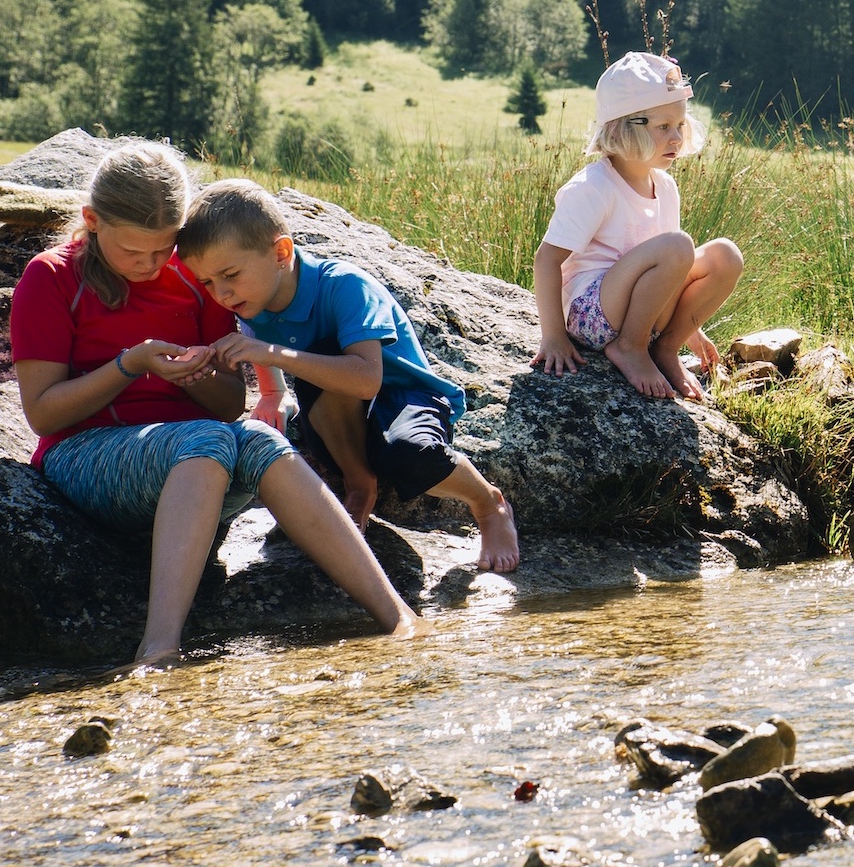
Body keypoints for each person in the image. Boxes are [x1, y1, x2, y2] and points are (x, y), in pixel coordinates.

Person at [10, 141, 417, 670]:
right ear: (92, 221)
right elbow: (43, 414)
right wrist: (130, 365)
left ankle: (399, 619)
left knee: (260, 438)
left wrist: (195, 373)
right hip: (84, 457)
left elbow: (228, 406)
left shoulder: (194, 277)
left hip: (200, 463)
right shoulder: (50, 277)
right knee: (205, 439)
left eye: (163, 249)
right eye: (133, 252)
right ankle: (158, 649)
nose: (150, 264)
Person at [178, 179, 522, 574]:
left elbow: (366, 380)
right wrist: (271, 392)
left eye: (230, 274)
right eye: (208, 282)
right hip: (341, 419)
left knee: (411, 455)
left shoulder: (344, 286)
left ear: (281, 252)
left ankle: (488, 503)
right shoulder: (252, 299)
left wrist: (271, 354)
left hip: (403, 397)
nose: (221, 294)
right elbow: (259, 339)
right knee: (315, 380)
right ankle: (359, 485)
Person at [530, 51, 742, 401]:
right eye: (663, 127)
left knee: (725, 255)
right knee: (678, 245)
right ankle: (629, 347)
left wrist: (690, 329)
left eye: (680, 125)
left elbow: (671, 271)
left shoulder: (666, 187)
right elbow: (546, 260)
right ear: (624, 129)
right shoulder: (594, 187)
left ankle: (665, 349)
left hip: (644, 313)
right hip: (593, 315)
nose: (676, 138)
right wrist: (553, 336)